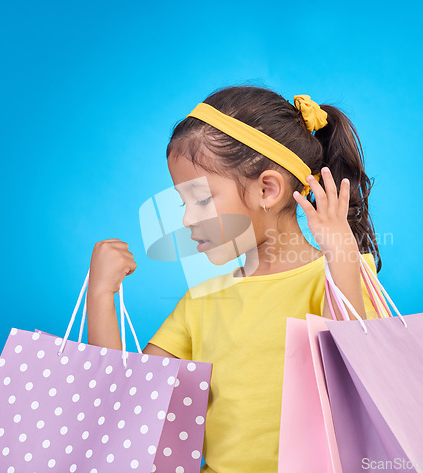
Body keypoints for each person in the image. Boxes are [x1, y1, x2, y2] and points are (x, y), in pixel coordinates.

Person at [86, 85, 384, 473]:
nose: (187, 219)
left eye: (202, 200)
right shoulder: (200, 302)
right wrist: (101, 294)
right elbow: (130, 405)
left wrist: (341, 253)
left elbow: (353, 384)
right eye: (184, 203)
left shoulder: (341, 275)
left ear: (268, 189)